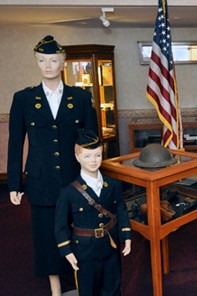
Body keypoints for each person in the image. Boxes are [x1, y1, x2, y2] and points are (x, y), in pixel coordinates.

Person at [7, 35, 98, 295]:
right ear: (36, 62)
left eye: (54, 60)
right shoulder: (24, 99)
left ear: (63, 62)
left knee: (82, 236)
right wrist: (14, 183)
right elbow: (15, 144)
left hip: (76, 182)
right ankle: (56, 291)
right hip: (41, 182)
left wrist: (95, 178)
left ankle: (84, 287)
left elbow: (92, 141)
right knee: (48, 241)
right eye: (43, 60)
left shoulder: (80, 99)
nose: (48, 65)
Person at [55, 129, 131, 296]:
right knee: (89, 290)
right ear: (77, 156)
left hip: (110, 247)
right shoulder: (68, 192)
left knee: (113, 287)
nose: (93, 160)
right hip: (84, 252)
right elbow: (61, 226)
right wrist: (66, 251)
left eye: (97, 155)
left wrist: (126, 236)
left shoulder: (113, 185)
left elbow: (121, 209)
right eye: (87, 156)